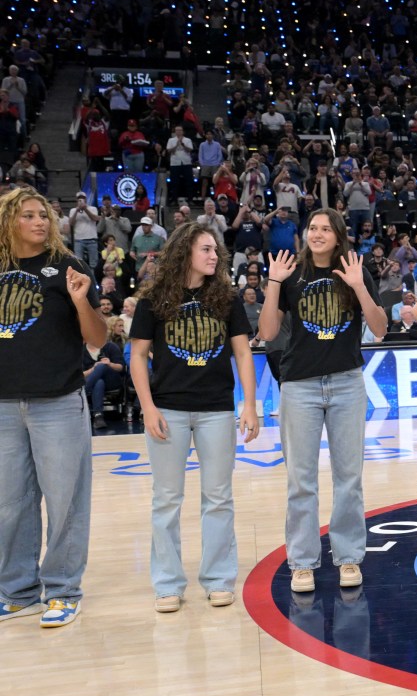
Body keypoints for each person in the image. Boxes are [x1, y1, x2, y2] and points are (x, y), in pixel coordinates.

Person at [130, 223, 260, 612]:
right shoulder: (154, 298)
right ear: (185, 251)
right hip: (167, 408)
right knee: (166, 499)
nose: (214, 256)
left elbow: (242, 353)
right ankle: (168, 584)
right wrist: (148, 407)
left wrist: (249, 404)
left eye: (215, 251)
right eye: (206, 249)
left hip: (216, 409)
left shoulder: (226, 297)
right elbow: (138, 356)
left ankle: (219, 578)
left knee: (218, 498)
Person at [257, 209, 388, 593]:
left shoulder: (354, 268)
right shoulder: (291, 273)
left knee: (349, 478)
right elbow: (266, 332)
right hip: (299, 386)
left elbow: (379, 330)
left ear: (338, 235)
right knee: (301, 481)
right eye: (312, 228)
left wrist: (359, 286)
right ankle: (302, 563)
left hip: (348, 382)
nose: (317, 234)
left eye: (325, 228)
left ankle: (348, 558)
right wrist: (273, 284)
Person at [0, 186, 106, 627]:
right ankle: (18, 590)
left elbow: (98, 339)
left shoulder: (69, 267)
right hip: (4, 406)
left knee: (65, 502)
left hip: (58, 403)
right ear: (9, 222)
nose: (40, 222)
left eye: (44, 214)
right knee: (10, 503)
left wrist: (81, 300)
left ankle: (63, 589)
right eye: (28, 215)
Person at [82, 316, 126, 429]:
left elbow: (121, 367)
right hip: (94, 381)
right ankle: (98, 416)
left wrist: (109, 364)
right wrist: (93, 369)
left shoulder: (111, 346)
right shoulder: (81, 350)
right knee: (99, 382)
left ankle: (83, 393)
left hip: (112, 380)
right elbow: (79, 374)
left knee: (102, 365)